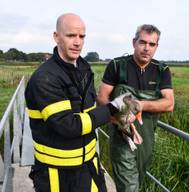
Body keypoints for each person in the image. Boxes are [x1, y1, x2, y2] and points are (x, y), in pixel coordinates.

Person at [25, 13, 131, 192]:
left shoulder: (83, 68)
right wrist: (113, 107)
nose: (77, 42)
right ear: (56, 36)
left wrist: (120, 117)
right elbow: (69, 125)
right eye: (71, 35)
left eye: (82, 36)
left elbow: (89, 111)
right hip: (57, 174)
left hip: (89, 166)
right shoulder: (45, 78)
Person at [97, 24, 175, 192]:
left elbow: (169, 103)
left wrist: (141, 105)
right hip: (122, 138)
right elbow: (102, 98)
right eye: (142, 42)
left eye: (152, 44)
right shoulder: (117, 66)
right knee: (129, 187)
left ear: (156, 47)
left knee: (138, 180)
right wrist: (118, 119)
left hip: (146, 138)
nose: (146, 48)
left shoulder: (161, 70)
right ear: (134, 42)